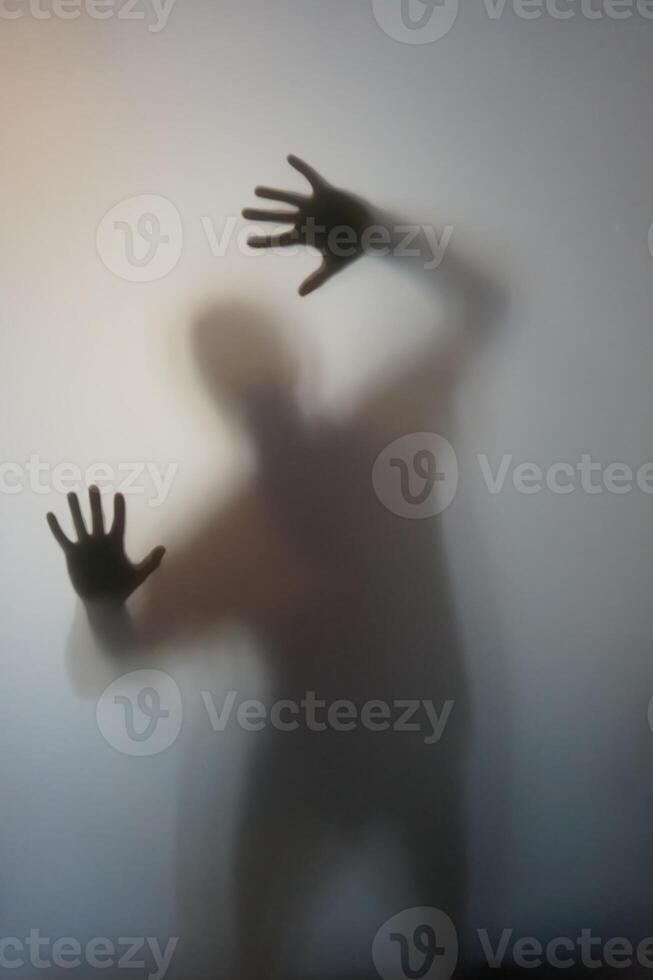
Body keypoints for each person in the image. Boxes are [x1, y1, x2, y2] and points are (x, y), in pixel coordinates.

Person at [47, 156, 503, 980]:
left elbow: (488, 303)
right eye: (227, 370)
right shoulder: (246, 521)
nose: (244, 383)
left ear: (290, 361)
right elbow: (113, 655)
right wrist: (106, 607)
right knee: (253, 958)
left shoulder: (385, 424)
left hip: (410, 744)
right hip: (317, 755)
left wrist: (382, 234)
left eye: (245, 359)